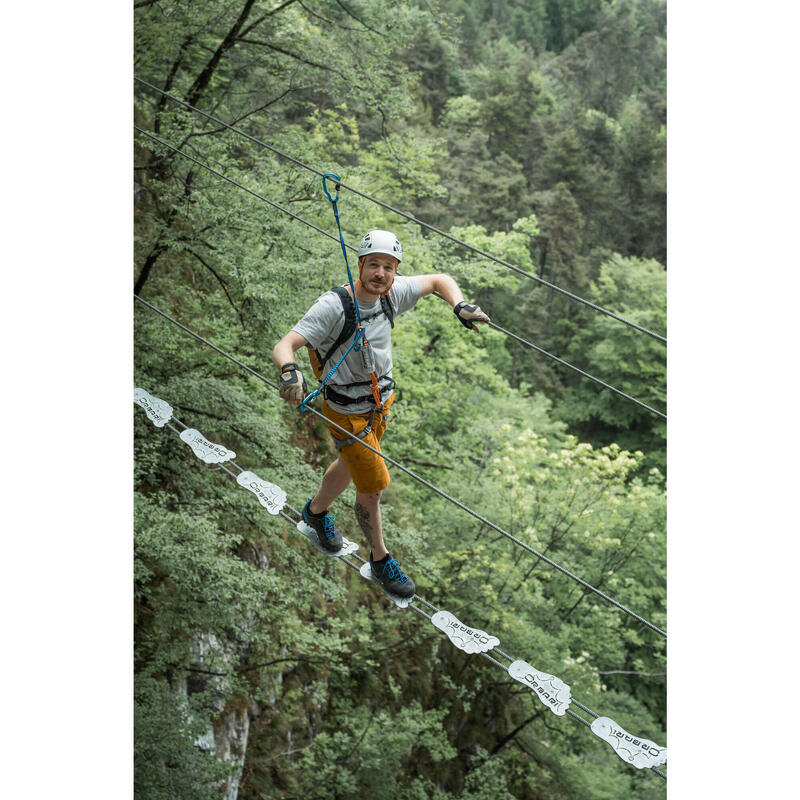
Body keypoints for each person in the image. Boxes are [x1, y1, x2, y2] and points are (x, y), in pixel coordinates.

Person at [272, 230, 490, 598]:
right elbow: (285, 344)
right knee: (372, 487)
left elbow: (439, 280)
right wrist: (289, 371)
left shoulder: (392, 294)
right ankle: (380, 557)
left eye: (389, 267)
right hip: (346, 411)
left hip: (379, 405)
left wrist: (459, 305)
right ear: (360, 265)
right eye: (374, 264)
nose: (381, 273)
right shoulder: (333, 306)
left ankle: (316, 512)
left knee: (352, 464)